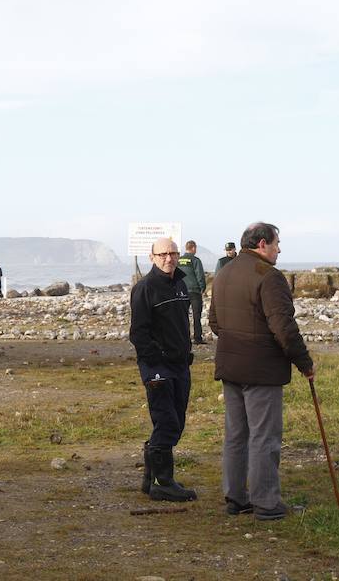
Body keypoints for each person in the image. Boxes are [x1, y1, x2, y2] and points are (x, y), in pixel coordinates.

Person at [209, 222, 314, 521]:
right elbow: (283, 328)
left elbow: (214, 322)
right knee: (264, 437)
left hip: (231, 366)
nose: (279, 250)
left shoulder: (224, 272)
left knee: (236, 435)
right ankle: (266, 504)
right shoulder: (269, 276)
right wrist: (305, 363)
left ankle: (236, 497)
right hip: (261, 369)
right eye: (277, 243)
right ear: (263, 244)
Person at [129, 237, 198, 502]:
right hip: (157, 367)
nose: (169, 258)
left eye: (173, 253)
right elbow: (138, 333)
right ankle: (163, 483)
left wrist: (184, 353)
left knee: (176, 421)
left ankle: (150, 479)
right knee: (166, 421)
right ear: (152, 257)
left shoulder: (180, 284)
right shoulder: (145, 288)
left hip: (180, 364)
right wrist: (157, 359)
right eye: (163, 254)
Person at [177, 240, 207, 345]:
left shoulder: (179, 260)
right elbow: (200, 275)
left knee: (183, 316)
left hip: (182, 292)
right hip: (194, 291)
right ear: (193, 248)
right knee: (196, 316)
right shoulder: (195, 260)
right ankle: (197, 338)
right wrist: (202, 288)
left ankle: (184, 337)